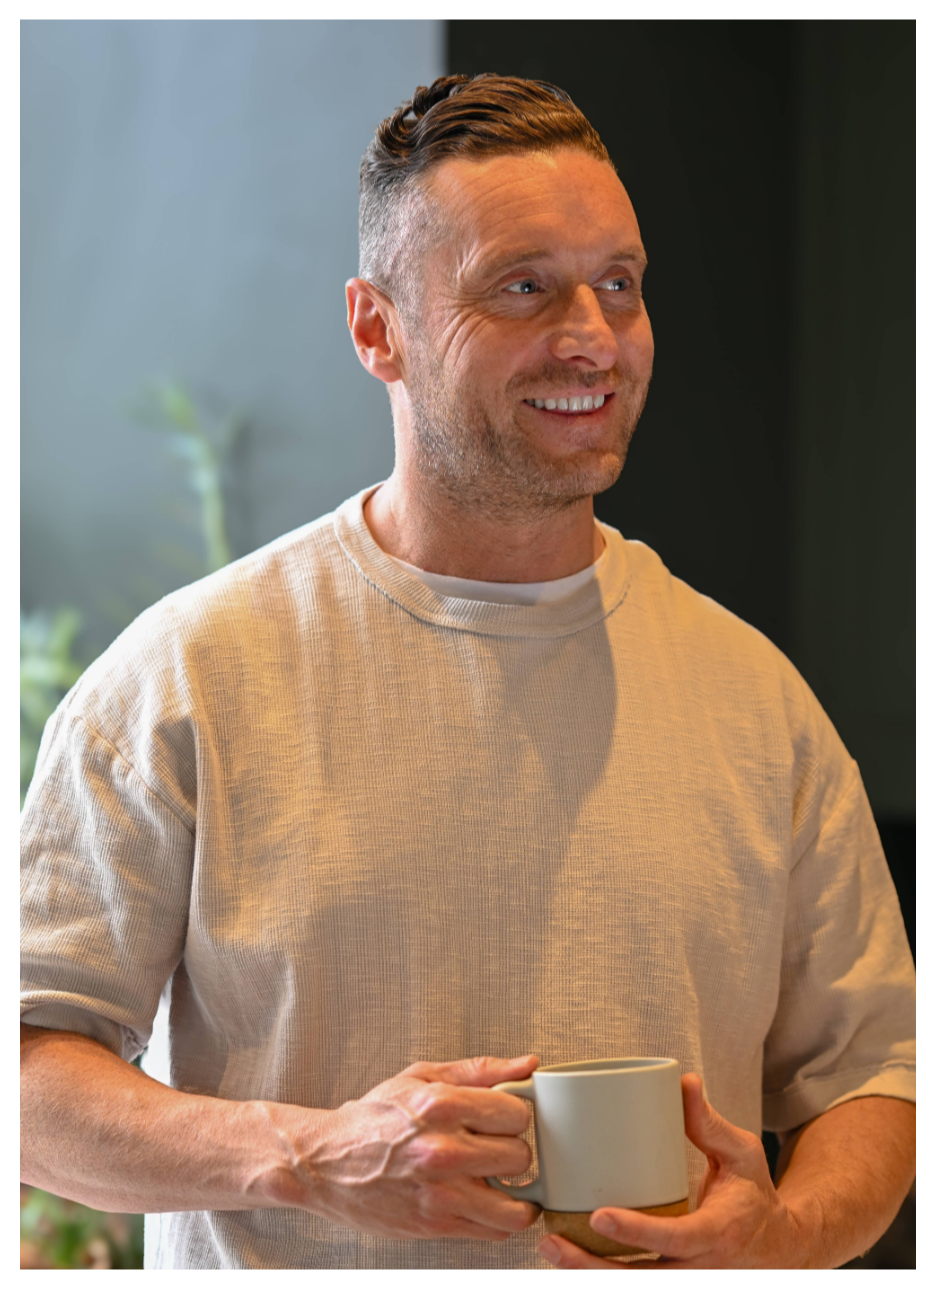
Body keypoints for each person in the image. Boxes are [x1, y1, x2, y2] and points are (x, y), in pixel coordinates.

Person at [20, 73, 914, 1271]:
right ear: (375, 328)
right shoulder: (189, 678)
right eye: (522, 286)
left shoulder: (757, 700)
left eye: (620, 283)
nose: (592, 336)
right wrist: (313, 1151)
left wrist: (788, 1232)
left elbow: (875, 1077)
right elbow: (27, 1077)